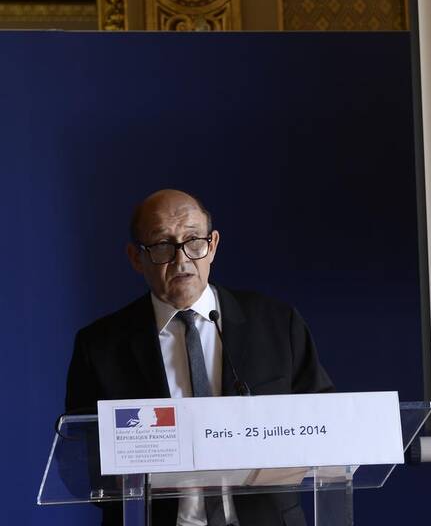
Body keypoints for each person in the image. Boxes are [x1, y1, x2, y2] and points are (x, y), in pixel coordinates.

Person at [65, 189, 333, 526]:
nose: (182, 260)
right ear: (136, 257)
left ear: (213, 245)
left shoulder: (278, 324)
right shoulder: (100, 346)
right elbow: (84, 463)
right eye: (163, 245)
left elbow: (327, 429)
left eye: (194, 241)